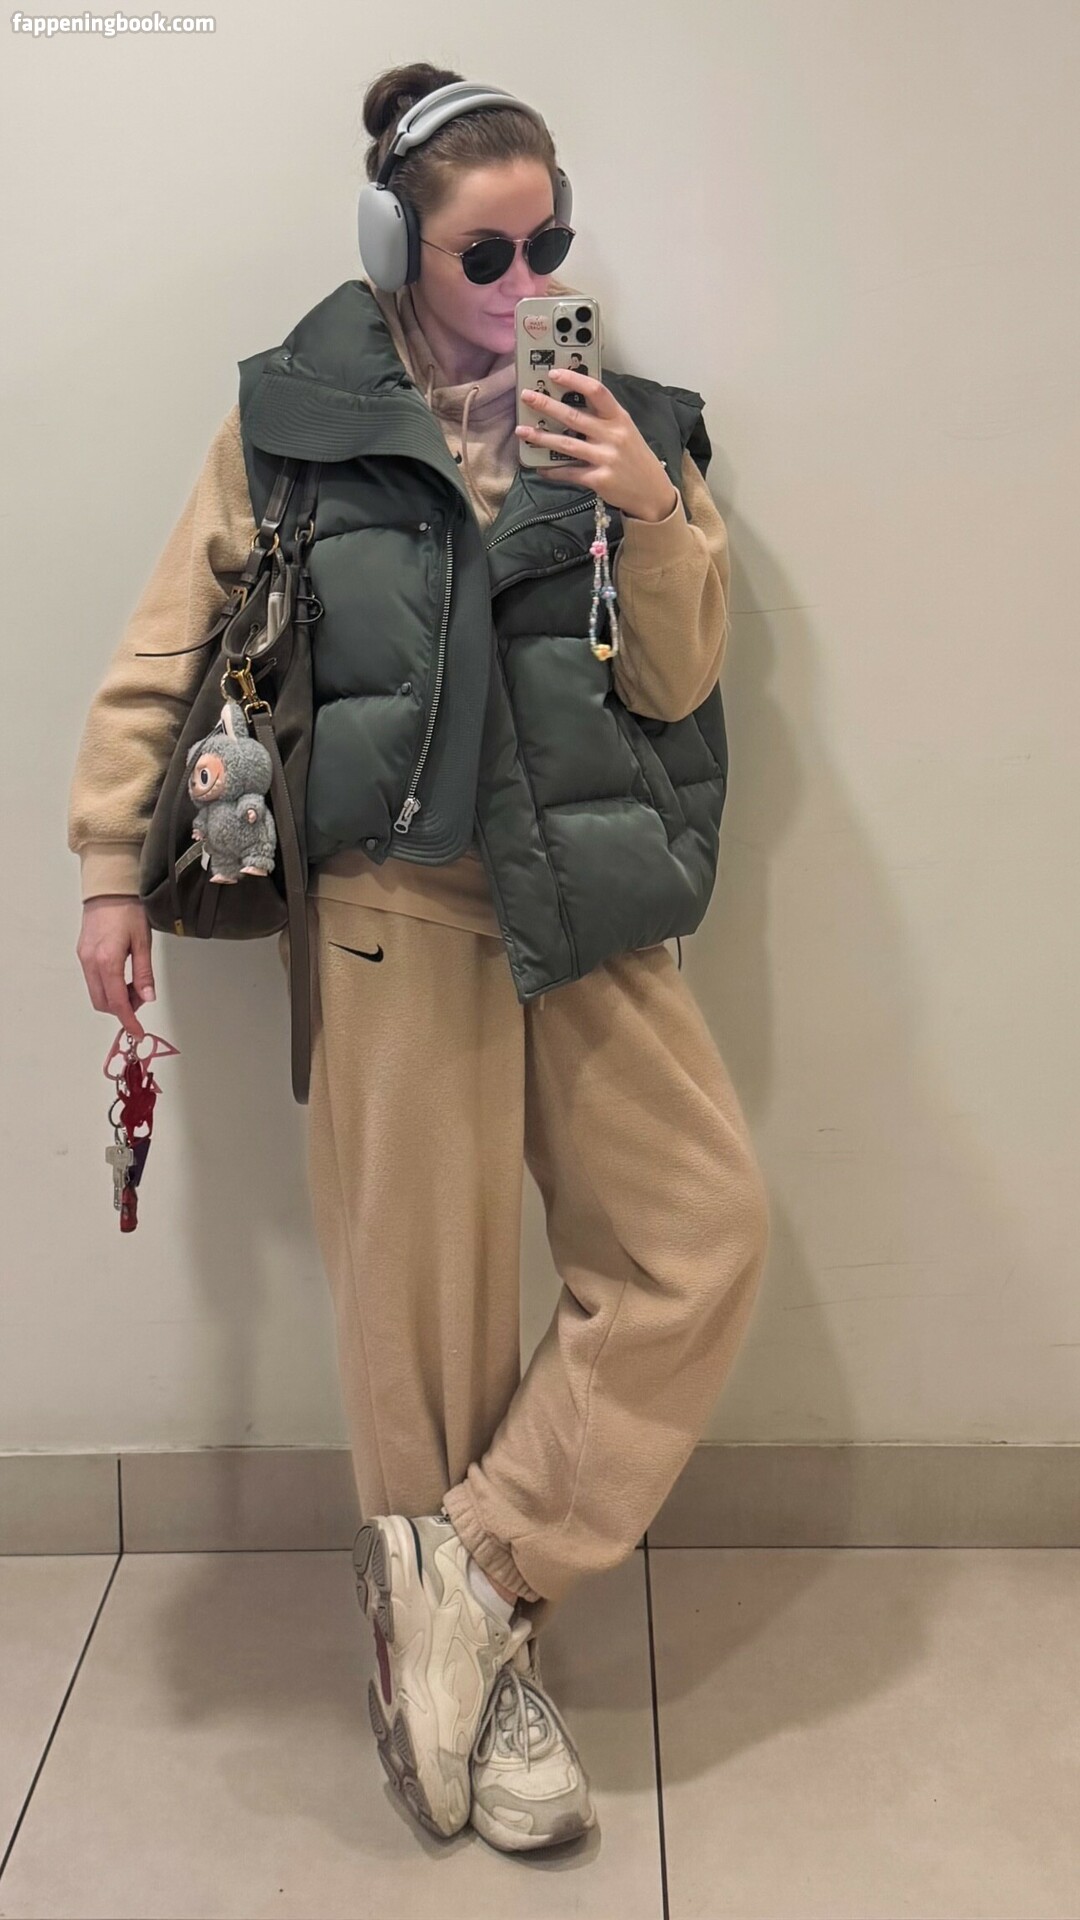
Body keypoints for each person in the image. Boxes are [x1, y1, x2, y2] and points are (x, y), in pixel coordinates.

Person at [68, 61, 771, 1854]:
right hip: (395, 909)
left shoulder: (628, 426)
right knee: (422, 1328)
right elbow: (166, 651)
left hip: (586, 899)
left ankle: (475, 1577)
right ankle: (481, 1687)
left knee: (696, 1240)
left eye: (550, 243)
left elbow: (681, 681)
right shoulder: (293, 422)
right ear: (396, 244)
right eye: (486, 252)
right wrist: (107, 872)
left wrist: (652, 508)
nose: (527, 283)